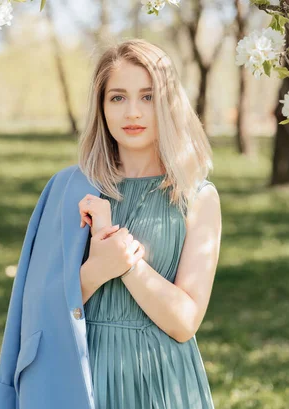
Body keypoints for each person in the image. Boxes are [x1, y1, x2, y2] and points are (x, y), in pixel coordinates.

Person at [76, 38, 222, 408]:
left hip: (160, 379)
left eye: (148, 97)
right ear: (102, 107)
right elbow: (41, 305)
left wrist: (127, 263)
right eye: (118, 97)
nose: (133, 114)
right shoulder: (76, 190)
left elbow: (184, 322)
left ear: (169, 105)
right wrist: (97, 269)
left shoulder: (197, 197)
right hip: (81, 373)